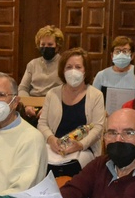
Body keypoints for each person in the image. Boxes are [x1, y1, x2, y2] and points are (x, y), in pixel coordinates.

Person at [37, 47, 106, 177]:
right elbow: (42, 123)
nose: (73, 71)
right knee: (40, 164)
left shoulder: (96, 95)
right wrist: (51, 140)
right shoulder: (53, 94)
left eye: (78, 67)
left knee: (69, 169)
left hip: (83, 149)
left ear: (85, 71)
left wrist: (80, 145)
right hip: (54, 147)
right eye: (69, 67)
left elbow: (98, 128)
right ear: (62, 70)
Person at [92, 36, 135, 111]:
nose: (121, 55)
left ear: (132, 55)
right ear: (112, 55)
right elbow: (93, 101)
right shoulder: (102, 75)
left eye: (125, 51)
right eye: (117, 51)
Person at [19, 25, 64, 98]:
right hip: (33, 104)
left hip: (55, 104)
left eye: (50, 44)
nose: (46, 47)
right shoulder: (32, 64)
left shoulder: (64, 64)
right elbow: (23, 88)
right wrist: (27, 105)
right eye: (43, 44)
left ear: (57, 46)